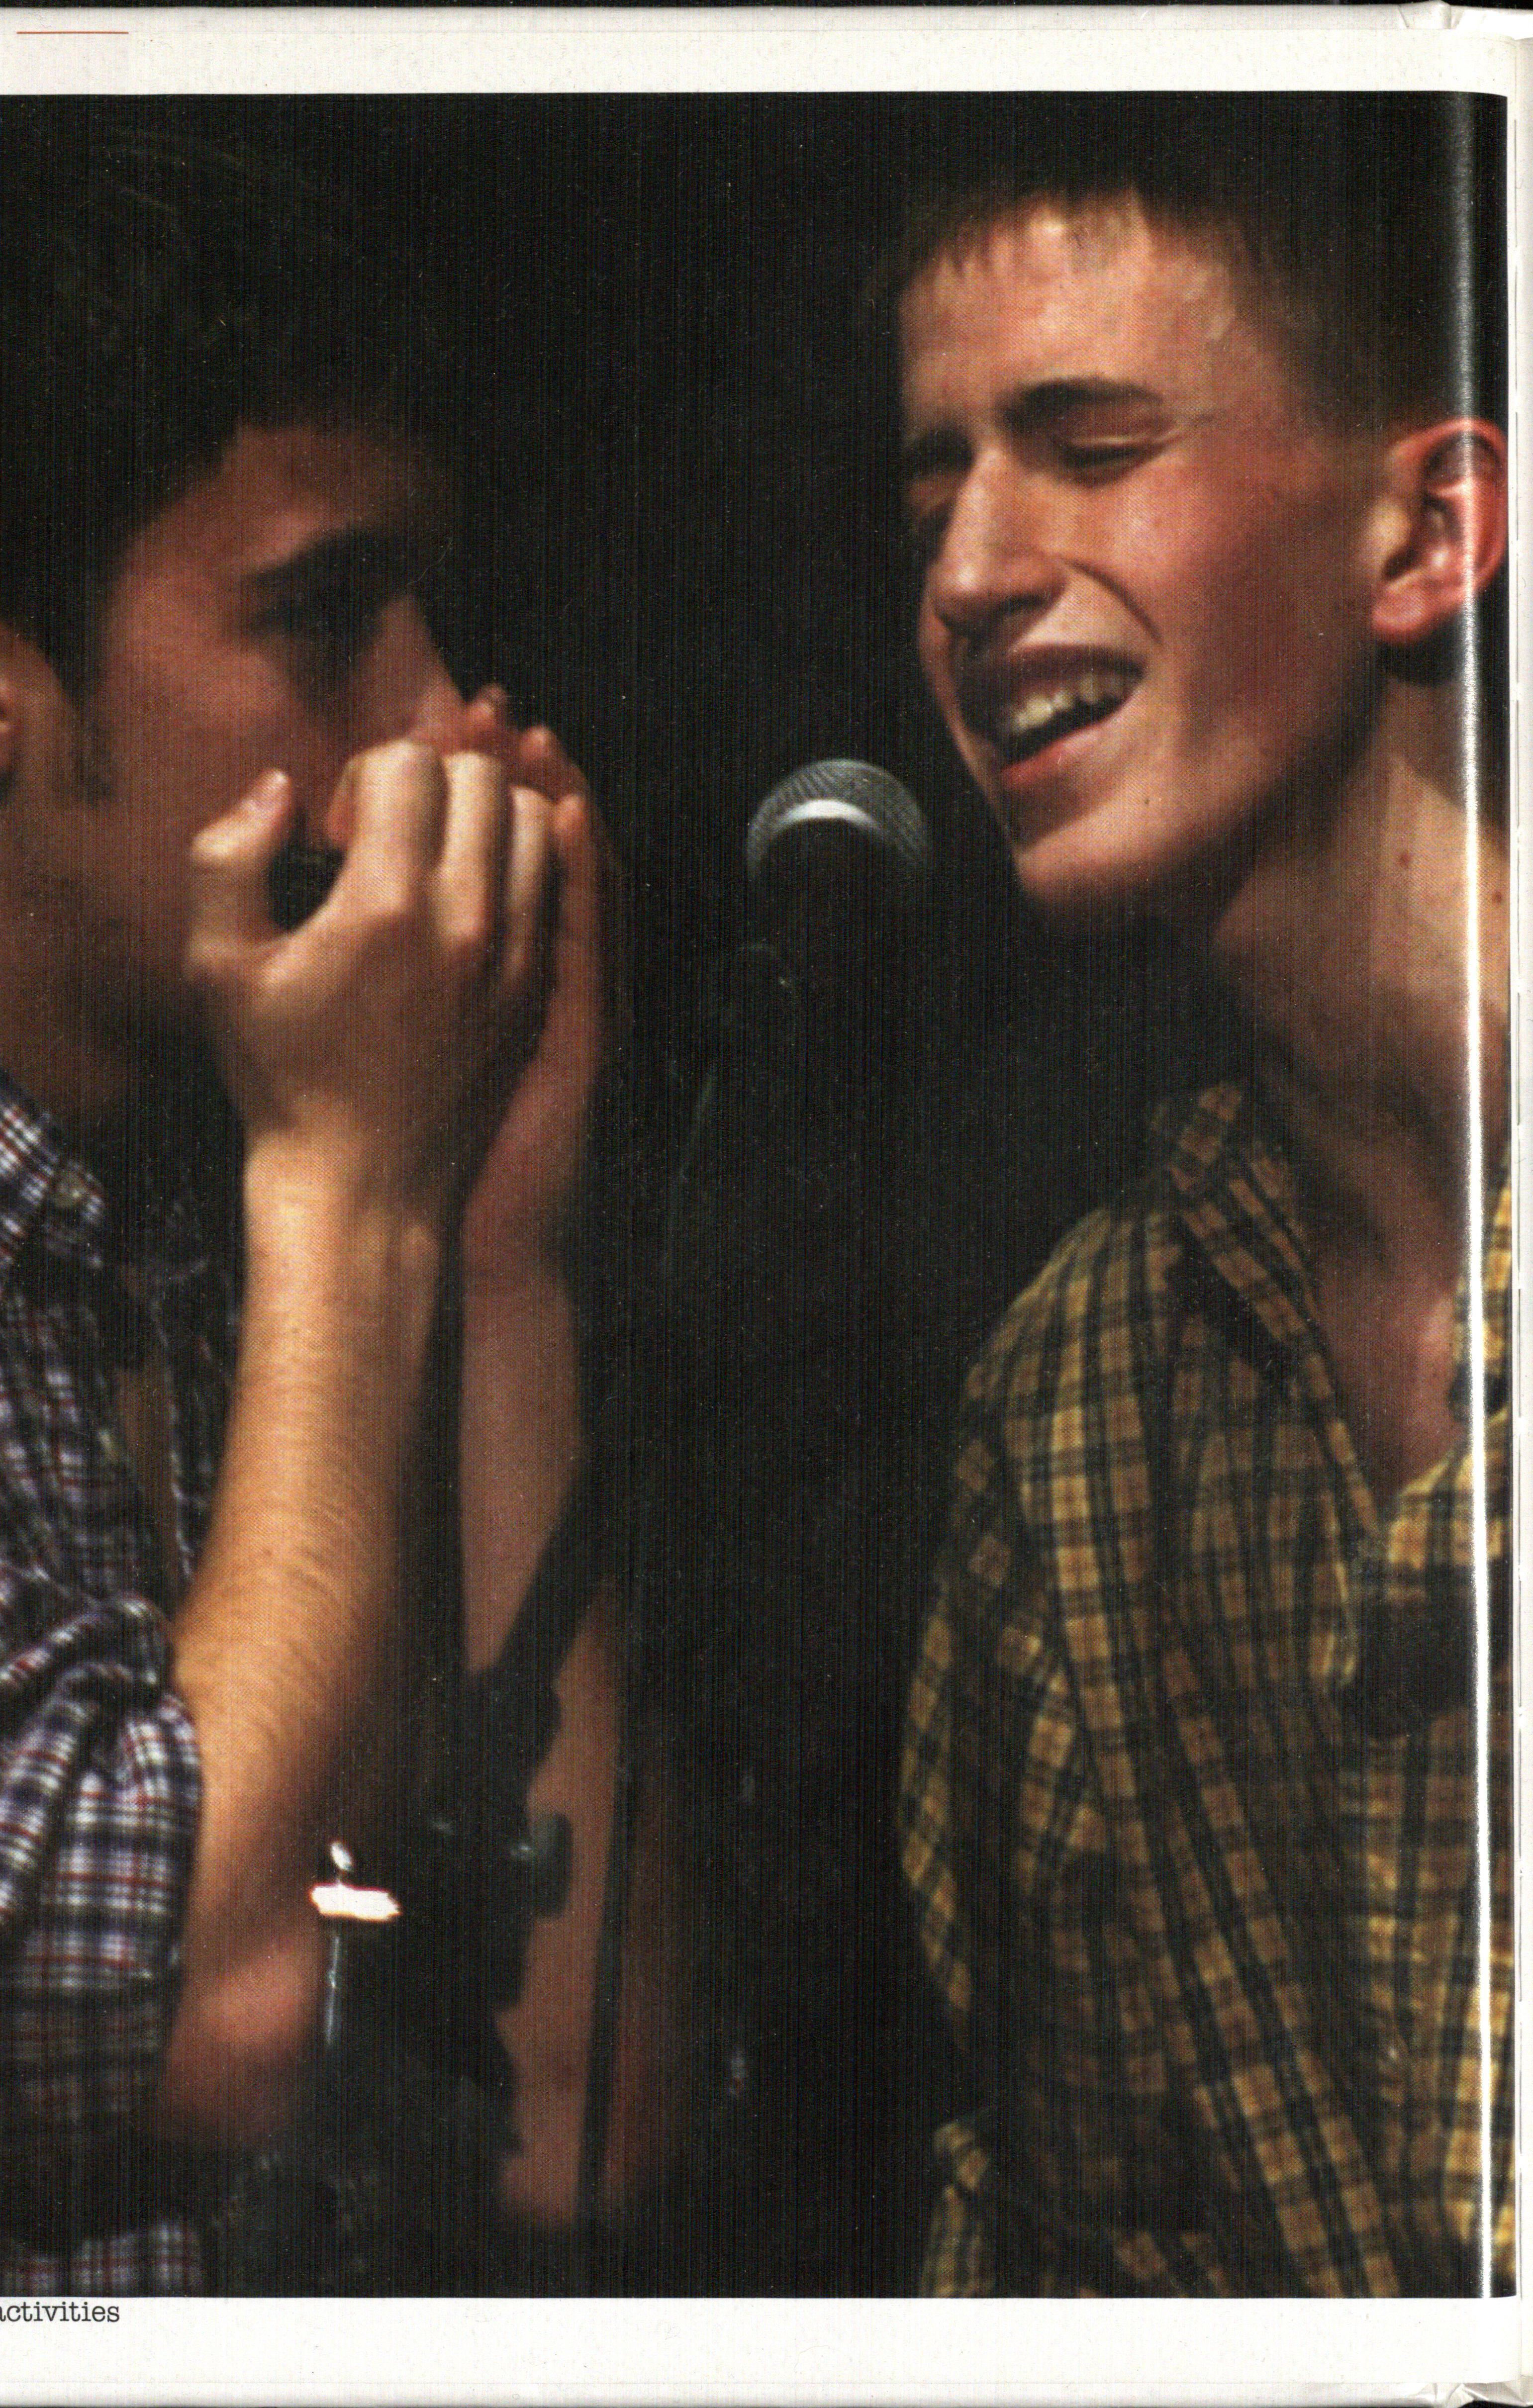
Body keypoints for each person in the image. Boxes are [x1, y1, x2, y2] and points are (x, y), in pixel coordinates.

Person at [0, 105, 667, 2294]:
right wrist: (352, 1186)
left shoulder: (241, 1230)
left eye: (430, 612)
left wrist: (501, 1253)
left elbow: (589, 2112)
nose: (436, 717)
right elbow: (212, 2014)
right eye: (321, 619)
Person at [893, 96, 1511, 2293]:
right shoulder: (1074, 1397)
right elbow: (1053, 2250)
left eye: (1090, 446)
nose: (970, 572)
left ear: (1423, 533)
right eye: (934, 491)